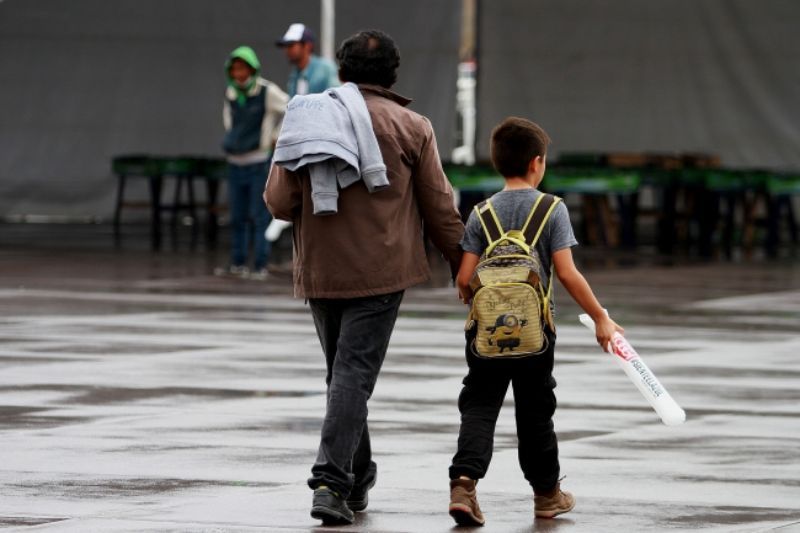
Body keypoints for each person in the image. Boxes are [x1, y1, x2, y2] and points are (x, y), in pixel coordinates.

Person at [265, 30, 464, 525]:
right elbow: (440, 206)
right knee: (352, 376)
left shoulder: (307, 117)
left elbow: (278, 202)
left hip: (320, 269)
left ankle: (359, 474)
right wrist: (464, 263)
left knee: (343, 376)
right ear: (393, 75)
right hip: (380, 272)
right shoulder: (412, 126)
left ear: (343, 69)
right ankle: (332, 482)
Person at [447, 117, 624, 525]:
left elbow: (463, 277)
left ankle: (463, 483)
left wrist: (480, 297)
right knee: (535, 412)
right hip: (535, 333)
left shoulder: (481, 212)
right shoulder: (552, 209)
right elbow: (566, 272)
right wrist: (600, 317)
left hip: (486, 334)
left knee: (479, 405)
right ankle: (547, 495)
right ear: (537, 163)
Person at [220, 46, 288, 279]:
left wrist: (275, 136)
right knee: (237, 215)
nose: (239, 73)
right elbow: (229, 120)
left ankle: (260, 263)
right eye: (235, 68)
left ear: (252, 69)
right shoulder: (231, 93)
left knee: (259, 215)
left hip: (258, 162)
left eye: (243, 68)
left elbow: (291, 108)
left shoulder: (266, 91)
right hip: (235, 161)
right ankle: (238, 262)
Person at [275, 23, 339, 97]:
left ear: (307, 46)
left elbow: (336, 99)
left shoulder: (326, 69)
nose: (287, 50)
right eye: (286, 46)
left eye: (291, 45)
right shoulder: (294, 76)